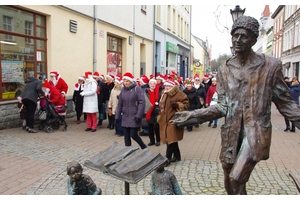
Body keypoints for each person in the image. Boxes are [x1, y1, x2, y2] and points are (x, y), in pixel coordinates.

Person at [170, 15, 300, 195]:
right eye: (235, 35)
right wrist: (193, 115)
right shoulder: (224, 69)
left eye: (244, 36)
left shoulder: (270, 66)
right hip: (231, 132)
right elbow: (223, 106)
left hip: (255, 132)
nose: (238, 40)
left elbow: (286, 103)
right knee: (228, 179)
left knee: (236, 178)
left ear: (254, 39)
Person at [157, 79, 189, 165]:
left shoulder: (179, 94)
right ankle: (177, 156)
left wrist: (178, 105)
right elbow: (161, 107)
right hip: (164, 120)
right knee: (172, 139)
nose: (167, 87)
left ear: (173, 86)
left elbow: (187, 105)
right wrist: (160, 117)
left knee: (170, 140)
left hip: (174, 120)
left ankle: (167, 159)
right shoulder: (164, 94)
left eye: (169, 86)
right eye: (166, 86)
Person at [115, 72, 147, 149]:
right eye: (124, 81)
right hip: (125, 116)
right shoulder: (123, 90)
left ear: (131, 81)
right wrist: (117, 116)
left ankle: (143, 147)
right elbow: (120, 104)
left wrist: (139, 115)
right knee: (126, 137)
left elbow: (142, 102)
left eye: (127, 81)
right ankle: (127, 151)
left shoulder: (137, 88)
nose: (125, 83)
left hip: (134, 116)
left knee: (133, 135)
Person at [145, 78, 161, 146]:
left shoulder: (159, 92)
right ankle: (152, 140)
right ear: (149, 85)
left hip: (157, 111)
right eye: (151, 84)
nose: (152, 85)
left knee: (157, 127)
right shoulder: (146, 92)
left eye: (153, 84)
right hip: (149, 111)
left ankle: (158, 140)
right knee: (150, 127)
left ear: (155, 84)